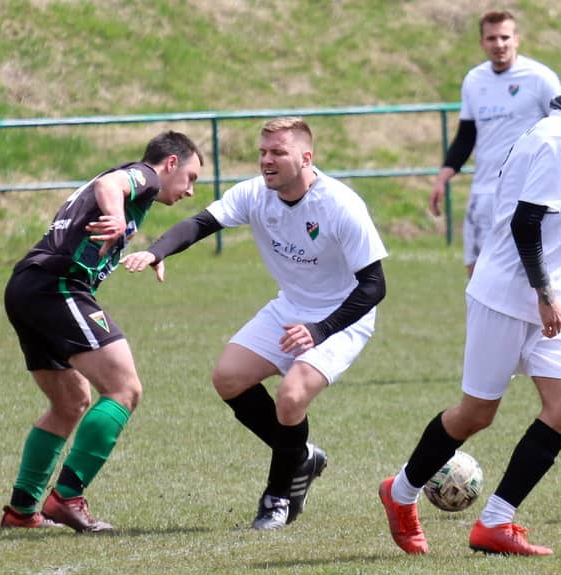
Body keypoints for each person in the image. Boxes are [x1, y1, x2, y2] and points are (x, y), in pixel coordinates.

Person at [380, 56, 561, 556]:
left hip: (544, 296)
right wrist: (546, 293)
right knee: (476, 414)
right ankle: (400, 493)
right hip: (505, 297)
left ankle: (495, 522)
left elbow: (549, 231)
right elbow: (525, 224)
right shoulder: (560, 139)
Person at [120, 117, 388, 530]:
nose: (266, 161)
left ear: (306, 158)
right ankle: (300, 455)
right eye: (263, 152)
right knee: (228, 378)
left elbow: (374, 286)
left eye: (278, 152)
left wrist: (319, 331)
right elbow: (201, 223)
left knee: (291, 397)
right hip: (291, 308)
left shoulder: (340, 204)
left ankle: (278, 497)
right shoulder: (255, 194)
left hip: (342, 316)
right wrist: (158, 251)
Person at [0, 131, 204, 532]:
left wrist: (148, 250)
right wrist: (116, 216)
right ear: (171, 164)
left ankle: (21, 511)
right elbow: (109, 184)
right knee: (125, 389)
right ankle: (67, 497)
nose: (190, 190)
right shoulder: (146, 176)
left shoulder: (136, 185)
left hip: (27, 286)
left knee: (70, 403)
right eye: (191, 177)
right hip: (58, 286)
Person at [429, 10, 561, 277]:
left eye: (505, 37)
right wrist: (442, 178)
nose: (499, 44)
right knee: (476, 272)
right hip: (484, 192)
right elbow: (466, 135)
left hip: (525, 193)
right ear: (482, 43)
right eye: (492, 38)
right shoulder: (474, 80)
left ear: (517, 39)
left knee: (532, 275)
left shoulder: (540, 78)